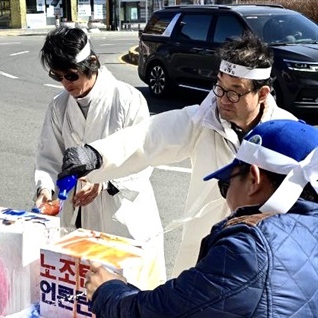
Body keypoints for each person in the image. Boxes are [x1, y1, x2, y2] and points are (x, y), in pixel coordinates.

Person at [84, 119, 318, 318]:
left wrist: (108, 290)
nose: (225, 199)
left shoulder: (252, 251)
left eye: (226, 185)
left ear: (254, 178)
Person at [58, 33, 297, 277]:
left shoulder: (288, 137)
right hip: (206, 249)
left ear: (263, 93)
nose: (223, 100)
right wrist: (96, 154)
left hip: (265, 253)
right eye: (220, 87)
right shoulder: (203, 121)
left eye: (235, 92)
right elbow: (149, 137)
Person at [35, 27, 166, 281]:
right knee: (84, 290)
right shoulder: (59, 105)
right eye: (57, 76)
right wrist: (45, 189)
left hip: (123, 213)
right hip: (81, 215)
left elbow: (144, 157)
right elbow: (49, 156)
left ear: (92, 63)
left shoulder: (127, 99)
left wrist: (104, 182)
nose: (65, 84)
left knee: (128, 292)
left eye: (71, 75)